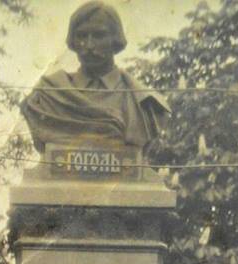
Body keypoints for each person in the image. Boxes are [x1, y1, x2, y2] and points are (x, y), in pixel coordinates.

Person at [20, 2, 169, 155]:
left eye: (99, 35)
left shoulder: (144, 103)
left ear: (115, 39)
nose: (89, 45)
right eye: (81, 35)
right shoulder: (48, 95)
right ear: (73, 41)